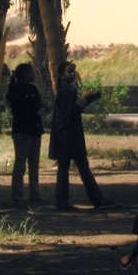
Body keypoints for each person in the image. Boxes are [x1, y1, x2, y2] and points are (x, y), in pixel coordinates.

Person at [48, 61, 111, 211]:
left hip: (68, 134)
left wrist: (85, 99)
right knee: (76, 167)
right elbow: (70, 111)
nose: (72, 74)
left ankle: (69, 201)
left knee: (72, 167)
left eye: (73, 71)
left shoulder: (67, 89)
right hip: (68, 135)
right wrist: (86, 99)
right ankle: (93, 199)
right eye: (69, 71)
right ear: (62, 74)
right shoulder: (65, 90)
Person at [7, 63, 45, 206]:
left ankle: (34, 194)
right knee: (21, 163)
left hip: (34, 129)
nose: (33, 74)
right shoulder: (15, 90)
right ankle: (17, 195)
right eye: (31, 72)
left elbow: (38, 104)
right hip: (23, 130)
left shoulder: (32, 89)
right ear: (24, 74)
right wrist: (36, 110)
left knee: (34, 163)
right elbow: (20, 109)